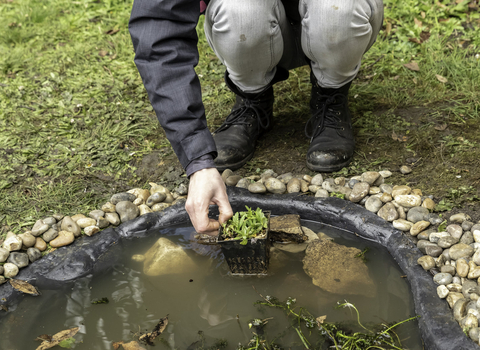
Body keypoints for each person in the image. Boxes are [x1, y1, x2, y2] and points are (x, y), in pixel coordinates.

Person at [129, 0, 384, 236]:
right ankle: (253, 98)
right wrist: (197, 161)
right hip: (257, 30)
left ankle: (331, 94)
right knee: (240, 10)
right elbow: (159, 28)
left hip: (339, 26)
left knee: (338, 9)